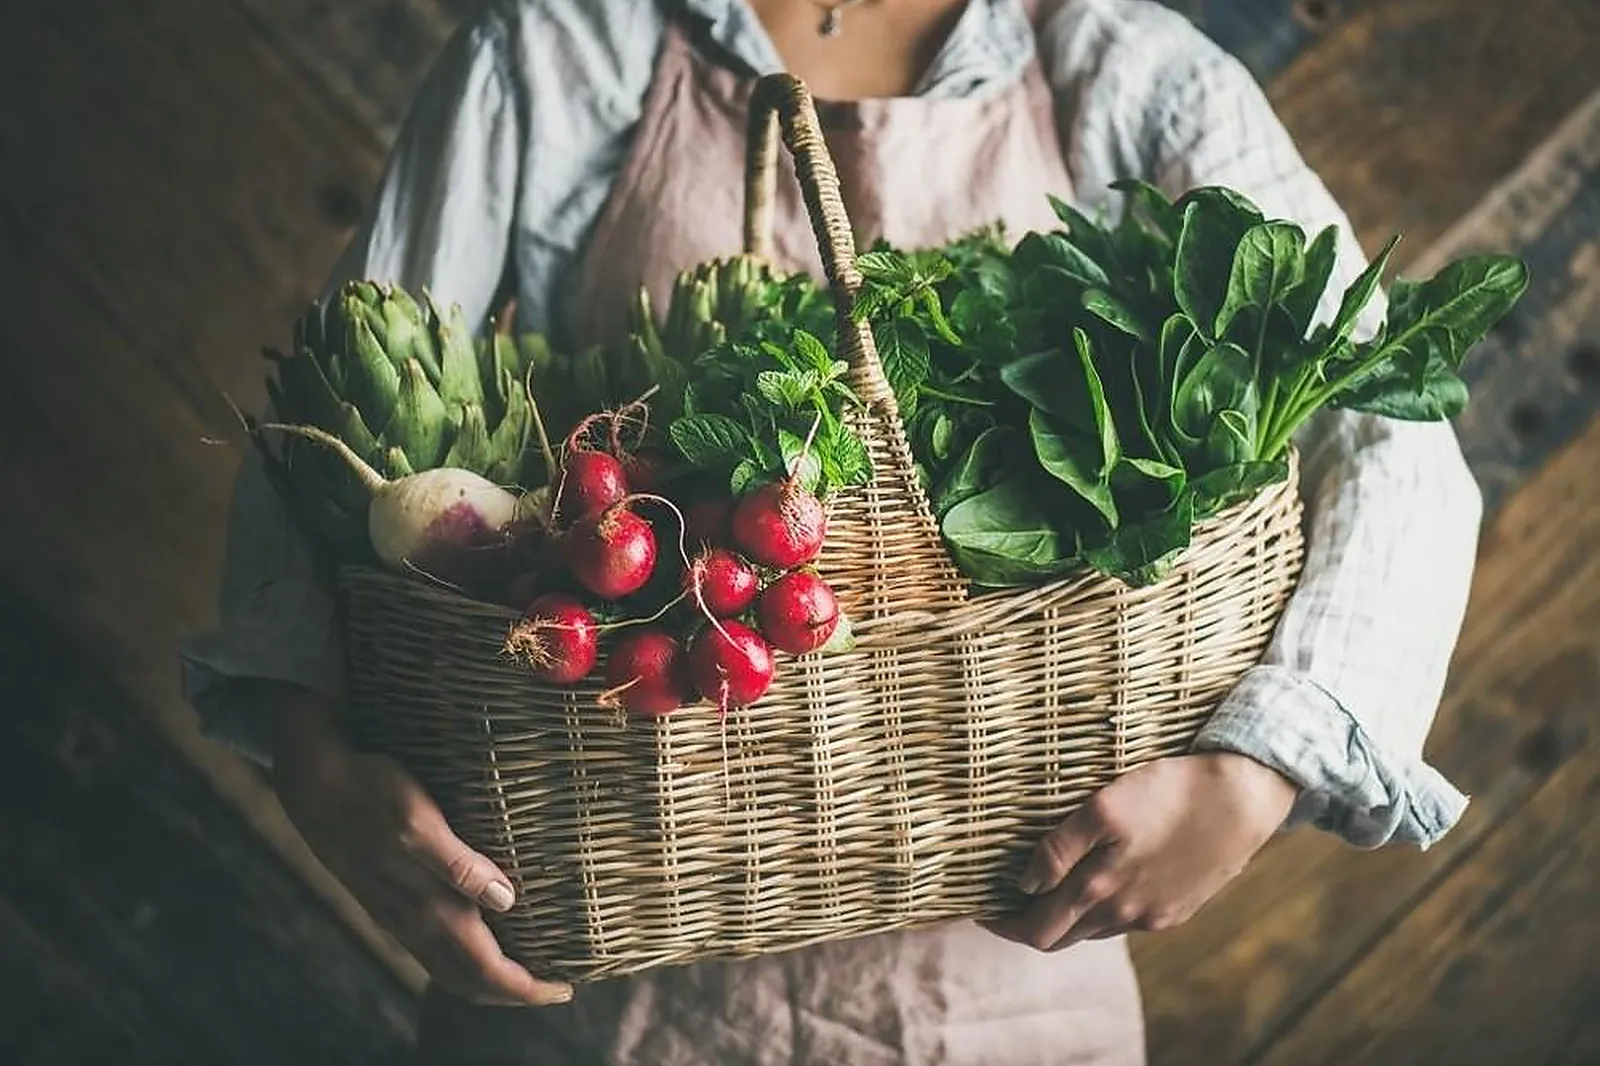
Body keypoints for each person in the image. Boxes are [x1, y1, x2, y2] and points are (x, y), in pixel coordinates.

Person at [180, 1, 1484, 1062]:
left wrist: (1261, 766)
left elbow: (1389, 431)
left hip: (1006, 993)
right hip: (597, 991)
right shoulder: (558, 51)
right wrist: (314, 754)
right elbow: (330, 445)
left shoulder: (1135, 75)